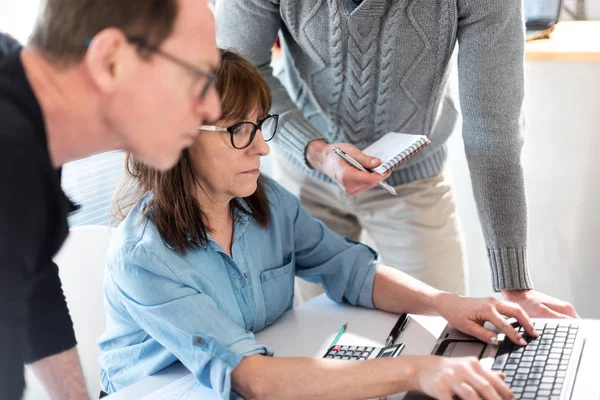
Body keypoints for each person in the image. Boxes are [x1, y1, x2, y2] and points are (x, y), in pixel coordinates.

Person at [99, 49, 539, 400]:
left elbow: (351, 269)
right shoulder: (146, 257)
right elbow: (254, 380)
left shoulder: (263, 202)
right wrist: (415, 371)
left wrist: (445, 303)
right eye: (238, 131)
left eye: (260, 127)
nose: (263, 150)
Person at [214, 0, 579, 317]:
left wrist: (513, 284)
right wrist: (316, 151)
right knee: (321, 339)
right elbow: (241, 71)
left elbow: (492, 128)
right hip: (306, 178)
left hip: (413, 185)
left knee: (443, 335)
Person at [0, 0, 221, 398]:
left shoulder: (26, 115)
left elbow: (33, 285)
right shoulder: (8, 161)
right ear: (110, 60)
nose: (212, 107)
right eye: (197, 76)